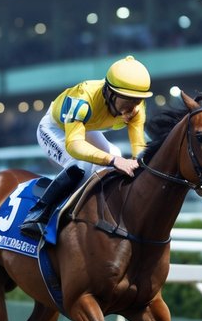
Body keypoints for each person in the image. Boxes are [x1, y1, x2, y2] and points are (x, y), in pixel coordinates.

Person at [18, 55, 152, 240]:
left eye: (137, 100)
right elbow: (74, 145)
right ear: (109, 92)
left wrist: (142, 164)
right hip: (55, 128)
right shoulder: (82, 98)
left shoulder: (137, 107)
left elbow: (138, 146)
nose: (133, 106)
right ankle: (38, 215)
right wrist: (114, 161)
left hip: (85, 127)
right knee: (80, 164)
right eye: (127, 100)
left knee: (116, 152)